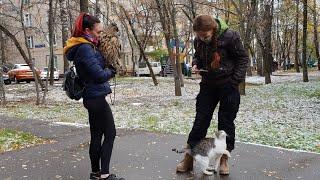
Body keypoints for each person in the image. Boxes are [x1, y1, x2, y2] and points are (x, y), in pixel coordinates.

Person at [176, 15, 248, 175]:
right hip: (208, 86)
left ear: (214, 29)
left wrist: (234, 82)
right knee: (200, 122)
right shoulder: (198, 41)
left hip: (228, 86)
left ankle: (223, 159)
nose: (202, 39)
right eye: (199, 36)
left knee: (226, 123)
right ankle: (189, 158)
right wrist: (196, 64)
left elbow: (243, 59)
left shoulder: (231, 36)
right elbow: (198, 57)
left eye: (205, 36)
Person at [64, 13, 124, 180]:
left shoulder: (85, 46)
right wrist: (112, 70)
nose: (100, 35)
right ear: (87, 30)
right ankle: (104, 174)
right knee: (110, 134)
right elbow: (98, 75)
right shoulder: (84, 48)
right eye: (98, 32)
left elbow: (94, 70)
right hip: (95, 98)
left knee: (97, 135)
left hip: (92, 98)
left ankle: (96, 173)